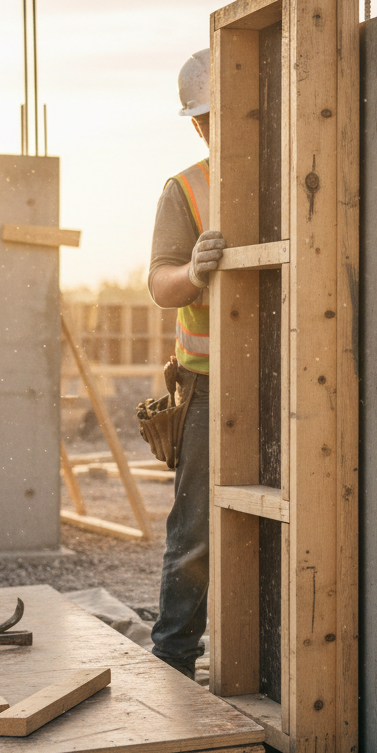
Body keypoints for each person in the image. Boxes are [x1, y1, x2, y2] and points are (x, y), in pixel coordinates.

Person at [146, 48, 225, 679]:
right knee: (196, 532)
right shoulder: (188, 189)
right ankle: (172, 662)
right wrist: (193, 273)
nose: (209, 129)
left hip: (288, 380)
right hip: (206, 386)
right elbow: (161, 283)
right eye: (203, 120)